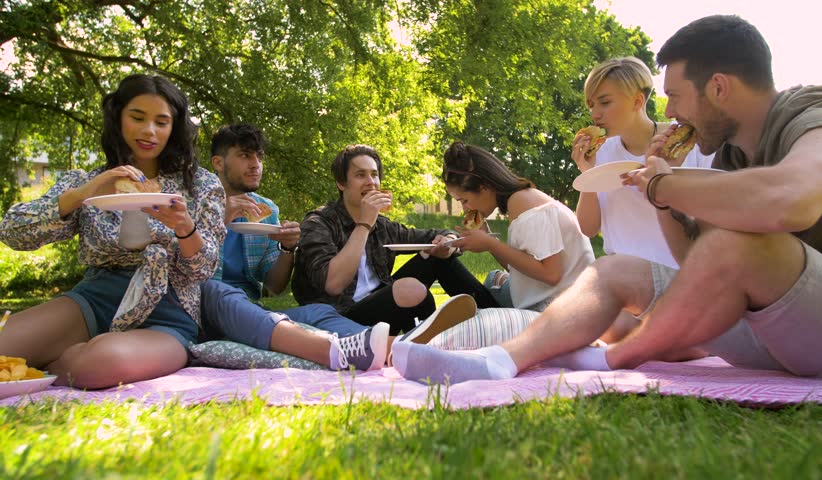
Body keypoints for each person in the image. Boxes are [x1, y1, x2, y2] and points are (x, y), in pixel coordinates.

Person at [391, 15, 822, 384]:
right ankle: (499, 361)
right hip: (760, 330)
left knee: (739, 244)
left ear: (718, 87)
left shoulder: (815, 110)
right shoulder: (727, 153)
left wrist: (660, 185)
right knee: (611, 269)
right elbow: (699, 261)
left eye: (673, 96)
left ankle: (613, 359)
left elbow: (795, 198)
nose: (668, 111)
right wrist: (663, 198)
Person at [0, 74, 226, 389]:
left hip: (168, 308)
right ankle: (54, 355)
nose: (149, 130)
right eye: (137, 117)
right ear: (118, 118)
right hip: (92, 299)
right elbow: (13, 232)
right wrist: (82, 193)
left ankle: (51, 362)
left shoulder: (201, 185)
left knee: (100, 364)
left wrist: (185, 229)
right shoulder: (88, 180)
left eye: (162, 122)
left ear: (174, 128)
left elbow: (204, 270)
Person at [199, 124, 389, 371]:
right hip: (205, 309)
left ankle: (393, 346)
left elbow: (275, 286)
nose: (256, 164)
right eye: (245, 156)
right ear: (218, 162)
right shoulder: (196, 202)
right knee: (216, 289)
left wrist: (288, 249)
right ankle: (330, 350)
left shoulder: (266, 211)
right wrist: (219, 218)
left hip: (253, 312)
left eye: (259, 156)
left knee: (319, 311)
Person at [572, 57, 714, 343]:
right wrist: (587, 174)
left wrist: (662, 178)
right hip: (621, 283)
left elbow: (709, 220)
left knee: (603, 330)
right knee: (598, 324)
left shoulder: (687, 144)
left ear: (638, 101)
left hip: (679, 278)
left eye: (605, 102)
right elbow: (587, 228)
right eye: (591, 105)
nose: (595, 114)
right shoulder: (601, 153)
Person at [292, 144, 501, 334]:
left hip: (382, 306)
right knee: (410, 289)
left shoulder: (383, 226)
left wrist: (447, 242)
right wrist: (364, 224)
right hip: (340, 318)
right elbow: (333, 285)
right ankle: (426, 341)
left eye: (374, 175)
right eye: (360, 175)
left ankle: (498, 319)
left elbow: (434, 234)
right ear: (341, 183)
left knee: (437, 256)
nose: (371, 182)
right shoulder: (318, 223)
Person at [441, 141, 595, 311]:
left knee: (447, 268)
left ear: (484, 187)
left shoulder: (522, 203)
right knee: (493, 279)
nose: (465, 208)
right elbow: (525, 270)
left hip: (562, 305)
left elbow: (551, 274)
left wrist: (491, 243)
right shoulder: (521, 200)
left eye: (464, 200)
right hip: (561, 297)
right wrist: (488, 241)